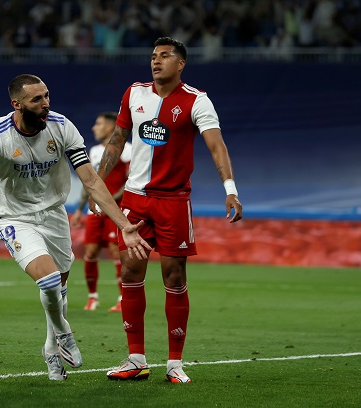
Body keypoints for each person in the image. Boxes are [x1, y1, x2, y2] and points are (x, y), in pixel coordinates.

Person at [0, 74, 151, 381]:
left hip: (53, 214)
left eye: (47, 95)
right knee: (49, 281)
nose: (46, 103)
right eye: (37, 99)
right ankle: (64, 333)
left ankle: (51, 349)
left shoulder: (62, 127)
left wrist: (125, 226)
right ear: (17, 104)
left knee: (59, 289)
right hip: (14, 217)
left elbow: (91, 179)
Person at [90, 37, 243, 384]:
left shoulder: (197, 100)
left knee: (174, 276)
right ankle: (136, 358)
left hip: (174, 201)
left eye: (164, 56)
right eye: (153, 56)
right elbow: (117, 139)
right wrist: (97, 185)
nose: (156, 62)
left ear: (181, 63)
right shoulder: (134, 93)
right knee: (130, 272)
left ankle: (175, 362)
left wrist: (230, 190)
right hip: (134, 200)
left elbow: (216, 146)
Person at [70, 112, 132, 312]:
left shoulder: (127, 151)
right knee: (90, 252)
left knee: (116, 252)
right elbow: (88, 182)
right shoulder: (94, 151)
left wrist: (109, 200)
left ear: (110, 127)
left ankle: (123, 299)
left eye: (98, 124)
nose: (94, 128)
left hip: (117, 210)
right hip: (94, 210)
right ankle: (92, 298)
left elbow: (130, 181)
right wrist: (79, 209)